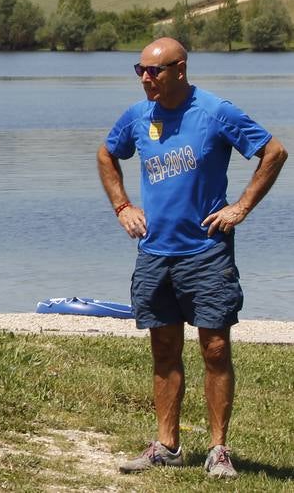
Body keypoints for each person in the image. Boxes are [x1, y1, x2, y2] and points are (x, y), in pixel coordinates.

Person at [99, 37, 285, 479]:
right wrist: (124, 206)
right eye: (140, 70)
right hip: (155, 253)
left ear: (180, 70)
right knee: (163, 348)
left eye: (154, 71)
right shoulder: (138, 116)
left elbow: (273, 151)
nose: (146, 78)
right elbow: (108, 153)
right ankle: (167, 444)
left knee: (215, 348)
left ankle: (218, 449)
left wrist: (240, 207)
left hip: (206, 253)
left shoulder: (215, 111)